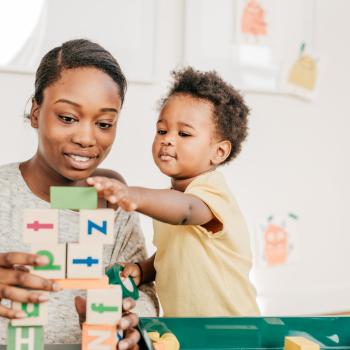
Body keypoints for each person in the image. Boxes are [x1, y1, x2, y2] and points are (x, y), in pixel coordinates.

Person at [0, 39, 158, 348]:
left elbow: (142, 290)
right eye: (68, 118)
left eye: (104, 123)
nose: (86, 138)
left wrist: (128, 319)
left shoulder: (115, 205)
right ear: (36, 111)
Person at [87, 67, 261, 316]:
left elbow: (188, 209)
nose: (168, 139)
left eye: (184, 134)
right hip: (186, 330)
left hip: (233, 328)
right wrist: (145, 269)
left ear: (219, 152)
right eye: (162, 131)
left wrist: (133, 195)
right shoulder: (171, 202)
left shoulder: (210, 193)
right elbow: (175, 254)